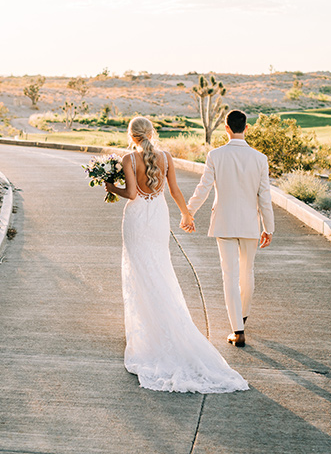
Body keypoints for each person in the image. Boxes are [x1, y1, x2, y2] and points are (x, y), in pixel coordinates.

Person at [105, 116, 248, 393]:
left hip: (136, 219)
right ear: (151, 133)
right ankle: (165, 324)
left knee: (139, 271)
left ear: (132, 136)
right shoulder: (166, 156)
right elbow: (174, 190)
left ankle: (146, 332)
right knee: (158, 268)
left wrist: (112, 188)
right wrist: (187, 213)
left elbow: (132, 194)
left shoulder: (128, 159)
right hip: (158, 218)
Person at [187, 110, 274, 348]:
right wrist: (269, 227)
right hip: (250, 224)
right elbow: (264, 196)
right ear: (246, 128)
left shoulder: (215, 155)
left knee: (230, 275)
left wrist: (189, 212)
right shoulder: (260, 158)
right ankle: (242, 318)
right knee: (248, 272)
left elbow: (203, 188)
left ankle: (237, 329)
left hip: (224, 223)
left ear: (226, 128)